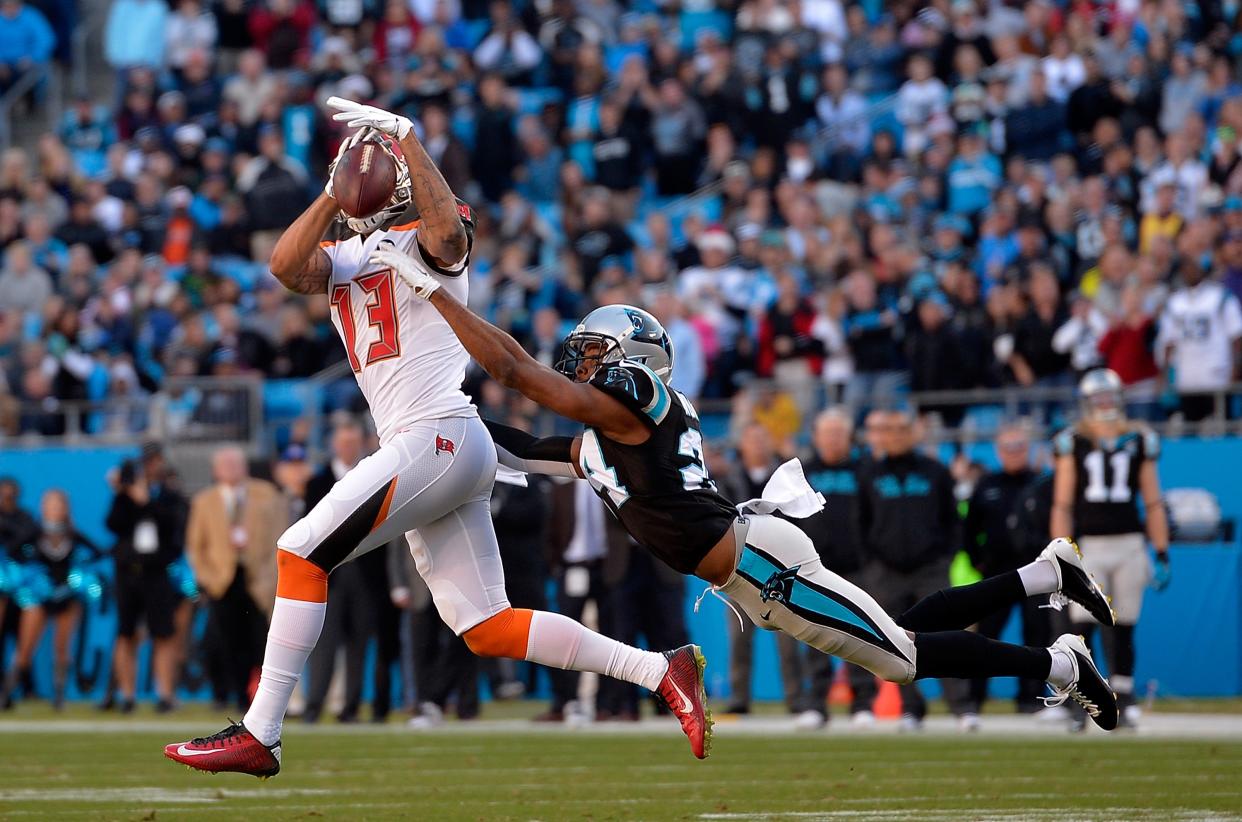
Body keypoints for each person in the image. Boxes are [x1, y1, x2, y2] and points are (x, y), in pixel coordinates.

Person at [166, 97, 709, 778]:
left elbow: (449, 236)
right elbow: (283, 266)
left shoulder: (431, 237)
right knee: (486, 625)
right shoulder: (345, 255)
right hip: (442, 445)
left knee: (299, 554)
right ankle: (662, 670)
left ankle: (261, 731)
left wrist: (410, 143)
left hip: (437, 436)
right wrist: (333, 193)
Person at [375, 274, 1123, 742]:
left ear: (634, 361)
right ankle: (1044, 574)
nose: (584, 363)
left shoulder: (640, 400)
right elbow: (519, 444)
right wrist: (428, 419)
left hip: (766, 564)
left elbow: (517, 373)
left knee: (903, 659)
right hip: (750, 574)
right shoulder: (607, 437)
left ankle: (1061, 661)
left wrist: (434, 292)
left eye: (596, 353)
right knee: (906, 629)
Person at [1051, 369, 1169, 730]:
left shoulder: (1139, 438)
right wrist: (1059, 552)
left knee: (1125, 623)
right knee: (1082, 624)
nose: (1103, 404)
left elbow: (1152, 501)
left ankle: (1125, 694)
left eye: (1108, 396)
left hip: (1130, 542)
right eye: (1096, 397)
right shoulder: (1073, 440)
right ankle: (1082, 697)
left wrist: (1161, 550)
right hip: (1089, 546)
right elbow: (1063, 503)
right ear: (1087, 403)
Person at [718, 422, 812, 720]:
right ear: (742, 444)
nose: (757, 445)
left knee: (788, 639)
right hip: (740, 569)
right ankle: (739, 697)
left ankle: (796, 698)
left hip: (778, 570)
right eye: (752, 439)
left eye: (762, 439)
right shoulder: (726, 479)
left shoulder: (784, 480)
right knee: (739, 638)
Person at [185, 447, 285, 712]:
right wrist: (208, 578)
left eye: (235, 463)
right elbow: (196, 547)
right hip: (222, 582)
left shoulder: (267, 494)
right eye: (224, 464)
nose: (230, 469)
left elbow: (281, 537)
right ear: (215, 470)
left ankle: (260, 698)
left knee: (261, 642)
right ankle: (234, 694)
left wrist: (271, 577)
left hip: (257, 580)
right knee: (226, 641)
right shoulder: (204, 501)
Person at [795, 408, 877, 729]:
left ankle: (863, 704)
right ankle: (815, 704)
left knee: (861, 635)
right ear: (815, 437)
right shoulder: (802, 473)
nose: (832, 440)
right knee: (814, 634)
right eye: (826, 433)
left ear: (848, 438)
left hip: (858, 566)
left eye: (838, 434)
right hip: (813, 569)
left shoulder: (865, 470)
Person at [961, 422, 1050, 715]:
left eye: (1019, 446)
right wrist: (978, 560)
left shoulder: (1040, 483)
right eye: (1008, 447)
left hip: (1036, 572)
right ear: (998, 451)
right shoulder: (987, 485)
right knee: (985, 636)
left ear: (1028, 449)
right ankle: (975, 698)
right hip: (998, 572)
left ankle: (1031, 699)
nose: (1014, 453)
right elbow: (969, 528)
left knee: (1036, 635)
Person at [301, 418, 383, 725]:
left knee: (358, 643)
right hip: (331, 573)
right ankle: (314, 705)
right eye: (343, 441)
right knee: (325, 643)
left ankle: (350, 706)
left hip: (365, 571)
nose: (347, 447)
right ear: (334, 444)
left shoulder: (375, 475)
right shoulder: (317, 482)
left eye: (353, 442)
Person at [104, 446, 188, 713]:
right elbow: (113, 524)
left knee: (163, 633)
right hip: (128, 571)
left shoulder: (169, 494)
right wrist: (122, 493)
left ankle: (164, 693)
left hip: (156, 571)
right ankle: (127, 694)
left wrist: (146, 501)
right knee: (125, 632)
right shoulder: (125, 494)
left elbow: (172, 525)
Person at [1, 489, 101, 709]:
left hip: (66, 596)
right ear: (43, 507)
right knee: (25, 648)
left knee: (63, 649)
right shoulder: (33, 532)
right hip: (39, 597)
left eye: (58, 504)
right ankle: (6, 694)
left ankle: (59, 697)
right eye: (50, 504)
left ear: (65, 508)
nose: (54, 509)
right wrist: (32, 575)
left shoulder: (73, 535)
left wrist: (78, 576)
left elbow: (98, 553)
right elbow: (13, 552)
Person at [1156, 261, 1242, 422]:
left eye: (1194, 267)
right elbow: (1169, 341)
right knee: (1191, 425)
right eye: (1186, 268)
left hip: (1217, 373)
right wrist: (1164, 374)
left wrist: (1235, 369)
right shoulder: (1175, 301)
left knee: (1221, 424)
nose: (1190, 271)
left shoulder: (1220, 297)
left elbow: (1236, 336)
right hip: (1188, 376)